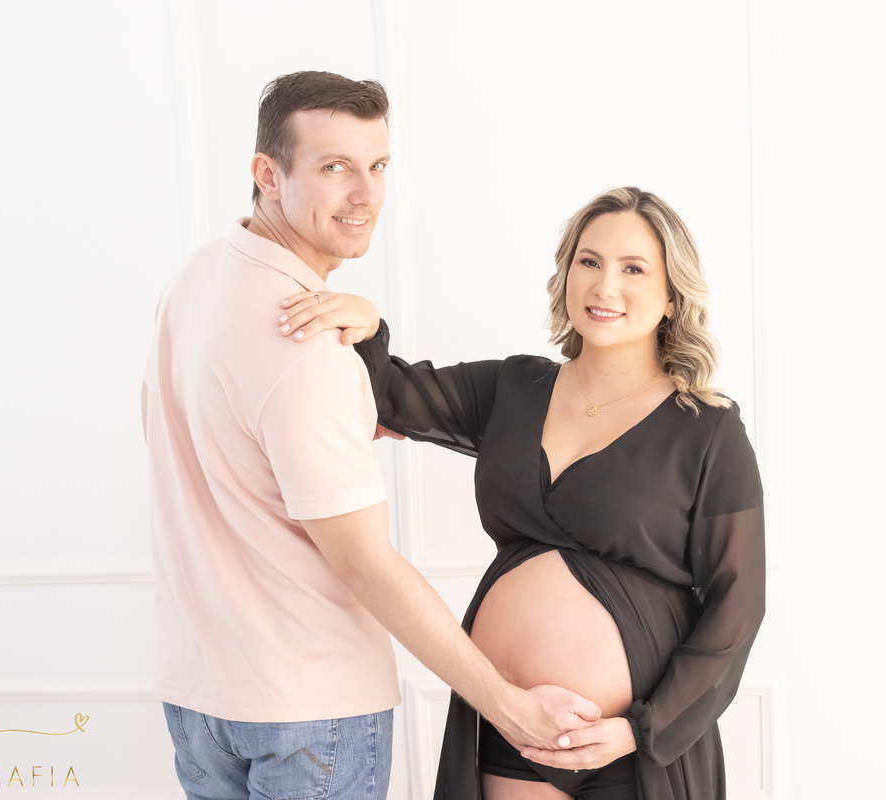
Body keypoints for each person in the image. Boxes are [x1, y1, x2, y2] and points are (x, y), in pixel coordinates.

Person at [142, 71, 599, 800]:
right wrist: (508, 706)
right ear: (268, 174)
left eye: (377, 165)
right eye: (334, 167)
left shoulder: (197, 280)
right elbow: (364, 562)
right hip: (305, 712)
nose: (365, 194)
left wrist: (370, 342)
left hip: (200, 701)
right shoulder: (305, 344)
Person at [280, 187, 766, 800]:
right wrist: (368, 326)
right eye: (589, 261)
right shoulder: (514, 387)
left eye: (633, 269)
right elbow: (389, 396)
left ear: (672, 296)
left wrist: (641, 730)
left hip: (632, 746)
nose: (604, 286)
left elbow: (737, 607)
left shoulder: (708, 429)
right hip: (512, 729)